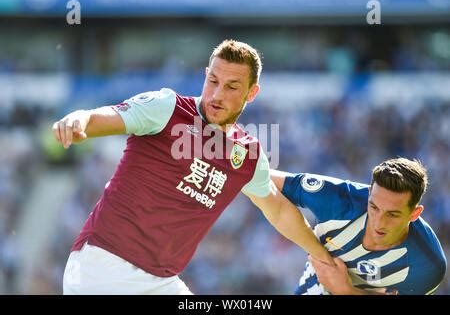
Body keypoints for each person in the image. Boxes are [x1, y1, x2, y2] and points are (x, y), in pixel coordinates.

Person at [52, 39, 333, 294]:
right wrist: (81, 118)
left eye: (232, 86)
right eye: (213, 81)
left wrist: (321, 255)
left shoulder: (247, 154)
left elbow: (278, 209)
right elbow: (108, 115)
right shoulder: (167, 108)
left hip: (161, 282)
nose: (217, 94)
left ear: (251, 93)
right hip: (103, 266)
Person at [271, 157, 447, 295]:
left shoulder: (428, 265)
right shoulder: (339, 201)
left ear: (414, 214)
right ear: (369, 194)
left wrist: (347, 291)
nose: (379, 222)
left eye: (392, 214)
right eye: (374, 207)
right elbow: (262, 178)